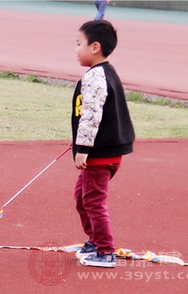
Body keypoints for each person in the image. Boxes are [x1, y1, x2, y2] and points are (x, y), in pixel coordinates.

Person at [71, 20, 135, 268]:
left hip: (99, 154)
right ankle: (94, 241)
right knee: (82, 197)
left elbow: (92, 114)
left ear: (95, 46)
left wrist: (83, 148)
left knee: (93, 200)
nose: (76, 50)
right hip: (104, 151)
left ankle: (105, 251)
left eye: (79, 44)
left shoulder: (96, 76)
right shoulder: (105, 73)